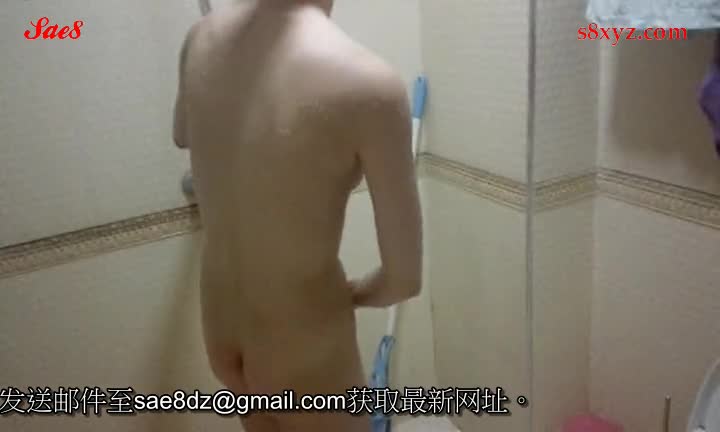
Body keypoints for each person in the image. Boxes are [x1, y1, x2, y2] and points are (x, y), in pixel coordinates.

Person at [173, 1, 422, 430]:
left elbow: (183, 134)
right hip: (305, 349)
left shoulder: (199, 39)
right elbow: (403, 279)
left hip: (224, 335)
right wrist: (353, 294)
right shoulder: (368, 84)